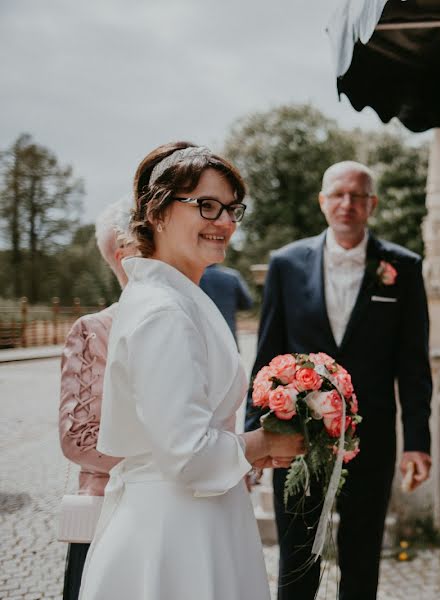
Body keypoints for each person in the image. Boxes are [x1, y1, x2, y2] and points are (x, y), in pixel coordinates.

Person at [78, 142, 304, 600]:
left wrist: (253, 453)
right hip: (175, 536)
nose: (224, 222)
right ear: (157, 211)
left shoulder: (172, 297)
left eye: (231, 209)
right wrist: (265, 442)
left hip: (193, 516)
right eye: (206, 206)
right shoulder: (164, 311)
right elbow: (188, 455)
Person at [246, 160, 433, 600]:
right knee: (296, 555)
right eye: (338, 194)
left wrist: (418, 441)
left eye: (358, 195)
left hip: (372, 437)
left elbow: (413, 362)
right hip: (296, 434)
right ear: (323, 201)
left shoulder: (402, 267)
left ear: (372, 204)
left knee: (362, 555)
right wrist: (254, 434)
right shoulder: (286, 264)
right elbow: (267, 353)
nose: (347, 203)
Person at [58, 198, 135, 600]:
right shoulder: (94, 329)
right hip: (110, 514)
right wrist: (181, 456)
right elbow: (79, 439)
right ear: (125, 256)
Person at [199, 263, 253, 343]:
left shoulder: (192, 277)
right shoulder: (232, 276)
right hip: (229, 337)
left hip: (202, 338)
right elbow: (247, 304)